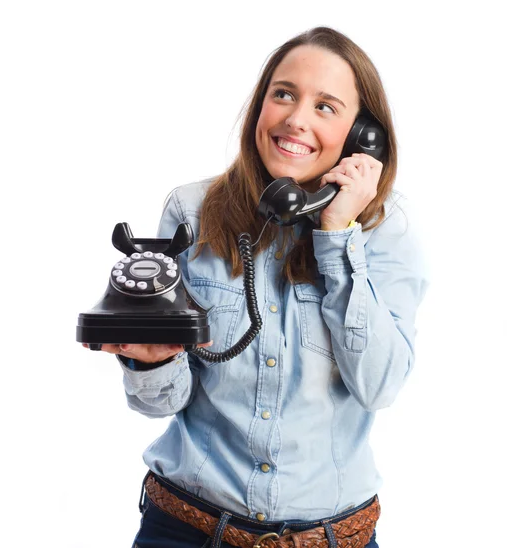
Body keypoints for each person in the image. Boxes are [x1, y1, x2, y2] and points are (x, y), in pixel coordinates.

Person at [84, 26, 428, 548]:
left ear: (363, 136)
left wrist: (336, 236)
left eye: (326, 106)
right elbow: (163, 403)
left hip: (332, 538)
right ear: (260, 105)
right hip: (185, 529)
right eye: (284, 94)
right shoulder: (192, 211)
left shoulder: (386, 226)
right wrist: (151, 359)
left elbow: (379, 386)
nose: (295, 118)